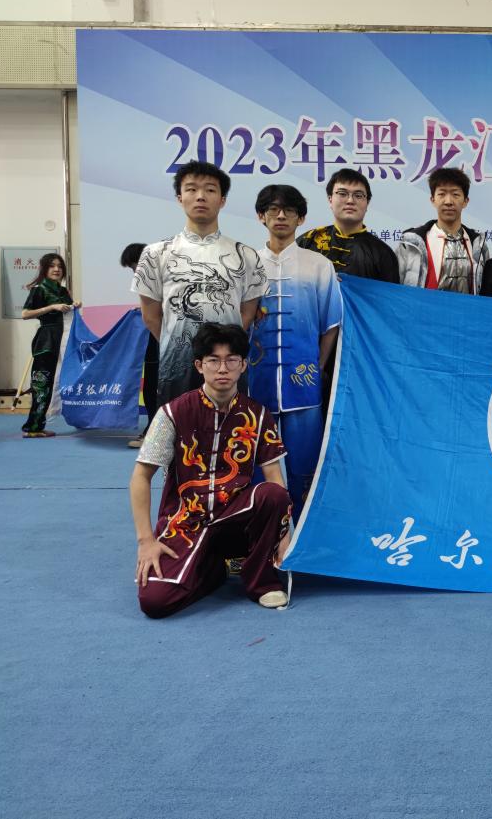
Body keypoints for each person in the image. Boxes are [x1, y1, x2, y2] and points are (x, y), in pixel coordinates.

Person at [131, 323, 292, 618]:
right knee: (155, 602)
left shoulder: (258, 416)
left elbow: (275, 480)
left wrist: (283, 535)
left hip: (236, 520)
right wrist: (146, 542)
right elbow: (141, 477)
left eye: (231, 360)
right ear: (199, 365)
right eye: (213, 360)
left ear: (243, 365)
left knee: (272, 494)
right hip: (185, 523)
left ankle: (261, 581)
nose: (222, 369)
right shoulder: (172, 413)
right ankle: (213, 567)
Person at [133, 160, 267, 407]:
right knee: (178, 425)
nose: (200, 196)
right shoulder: (155, 253)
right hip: (176, 366)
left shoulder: (245, 255)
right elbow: (151, 316)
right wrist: (179, 344)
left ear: (222, 200)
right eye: (192, 189)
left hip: (229, 367)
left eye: (210, 189)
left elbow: (247, 314)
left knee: (232, 425)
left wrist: (223, 348)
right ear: (179, 197)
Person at [249, 184, 343, 507]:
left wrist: (318, 365)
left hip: (304, 385)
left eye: (289, 210)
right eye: (272, 209)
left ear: (300, 218)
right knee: (258, 464)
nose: (280, 216)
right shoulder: (247, 265)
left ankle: (302, 528)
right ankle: (262, 527)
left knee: (305, 467)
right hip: (256, 385)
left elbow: (331, 323)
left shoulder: (319, 265)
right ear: (261, 216)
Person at [296, 169, 400, 282]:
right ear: (330, 199)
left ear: (367, 203)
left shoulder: (382, 253)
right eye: (342, 194)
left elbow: (390, 293)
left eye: (358, 195)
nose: (350, 200)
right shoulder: (308, 241)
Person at [397, 167, 489, 293]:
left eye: (455, 194)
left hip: (469, 306)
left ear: (465, 201)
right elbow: (396, 287)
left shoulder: (479, 244)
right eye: (442, 194)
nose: (448, 202)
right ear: (432, 200)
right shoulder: (411, 243)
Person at [20, 253, 79, 438]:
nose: (56, 269)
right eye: (52, 266)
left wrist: (75, 304)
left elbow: (67, 312)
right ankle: (33, 427)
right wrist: (51, 307)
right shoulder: (39, 289)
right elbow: (25, 314)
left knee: (53, 383)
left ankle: (38, 425)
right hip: (46, 342)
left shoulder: (63, 291)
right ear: (44, 269)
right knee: (42, 384)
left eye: (59, 266)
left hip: (64, 341)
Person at [121, 243, 159, 448]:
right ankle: (153, 429)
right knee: (151, 387)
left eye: (134, 266)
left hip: (165, 341)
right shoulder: (150, 281)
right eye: (132, 268)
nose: (135, 271)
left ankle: (155, 433)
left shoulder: (159, 279)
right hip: (156, 341)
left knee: (155, 388)